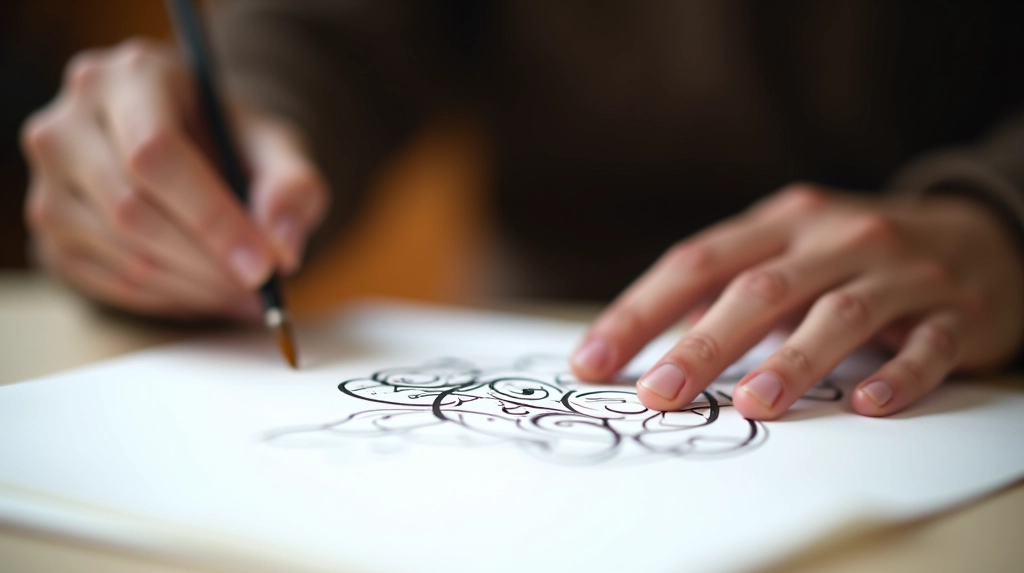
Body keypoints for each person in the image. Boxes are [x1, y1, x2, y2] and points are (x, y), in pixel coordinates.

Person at [19, 1, 1024, 421]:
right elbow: (328, 32)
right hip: (547, 341)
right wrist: (210, 148)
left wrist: (998, 212)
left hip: (960, 359)